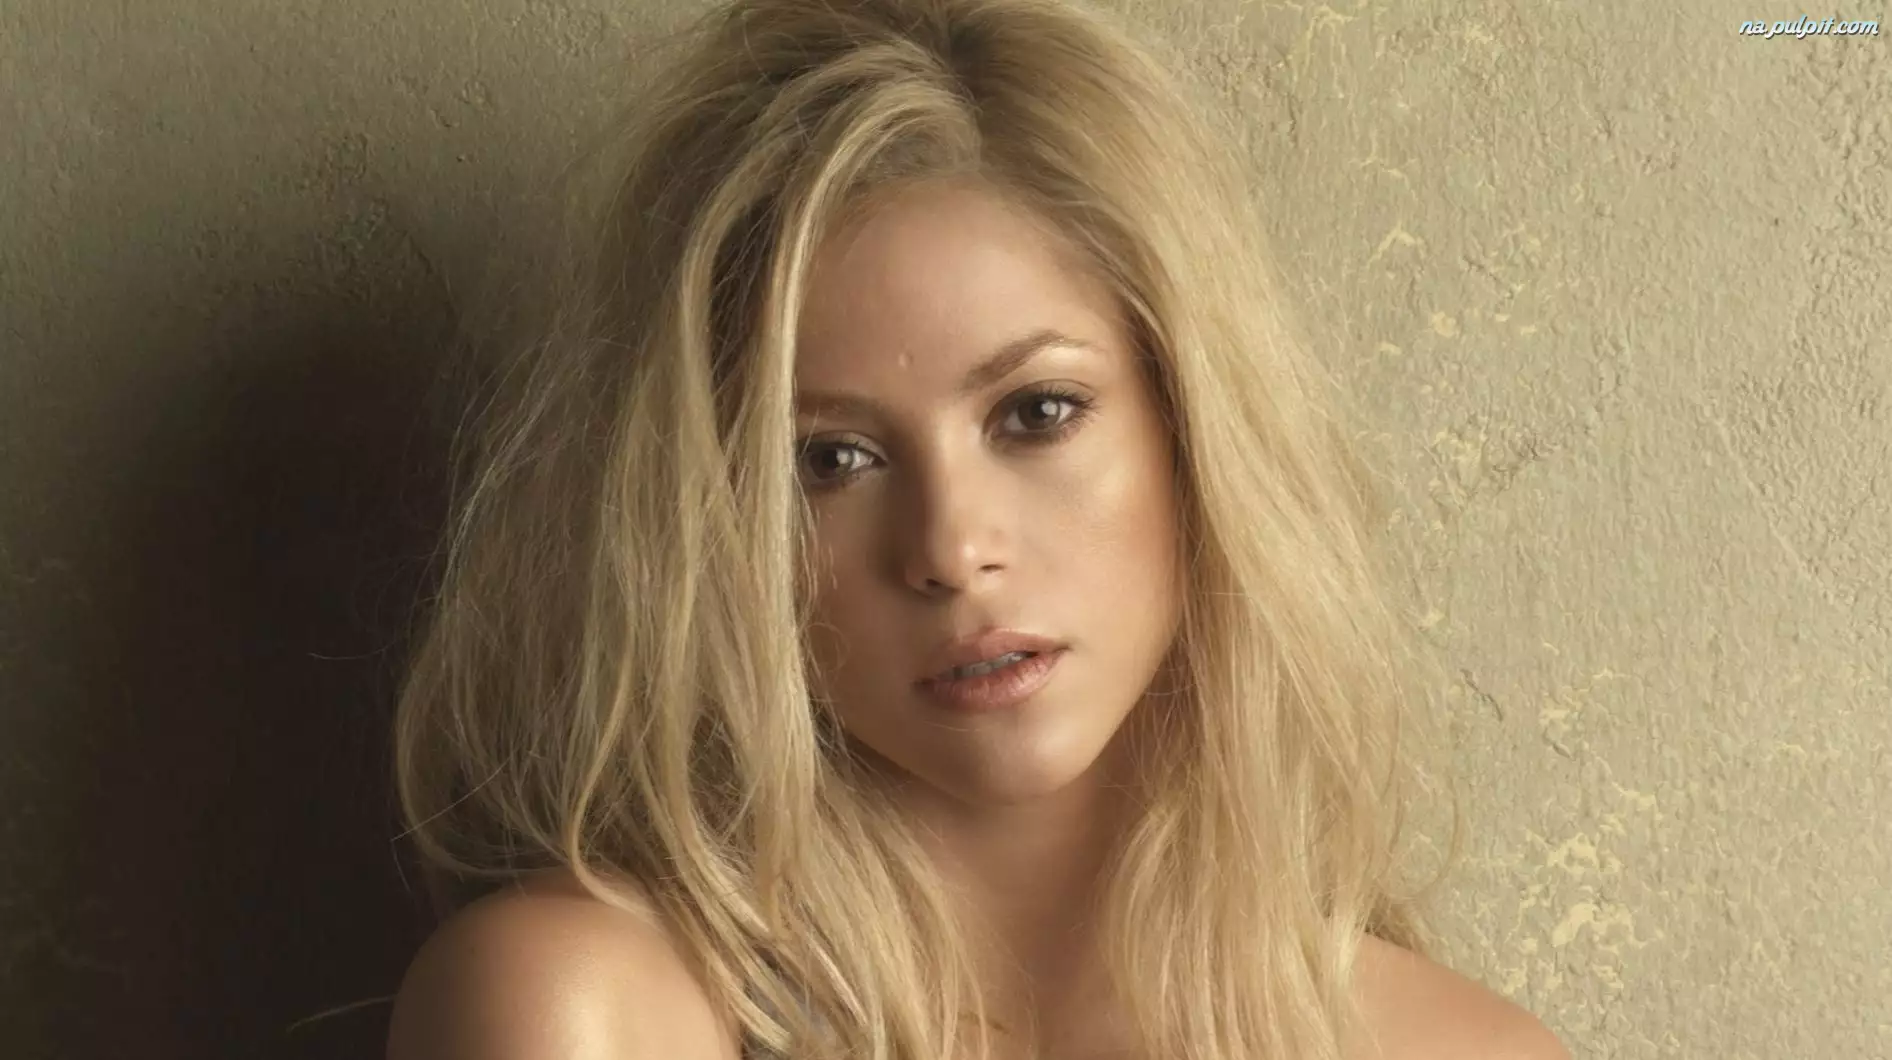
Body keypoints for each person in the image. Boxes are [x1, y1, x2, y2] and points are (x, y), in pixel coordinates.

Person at [383, 1, 1571, 1058]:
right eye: (830, 460)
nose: (950, 551)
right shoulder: (584, 1010)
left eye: (1035, 413)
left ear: (1194, 428)